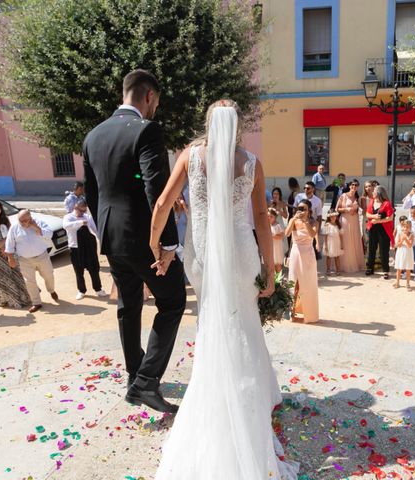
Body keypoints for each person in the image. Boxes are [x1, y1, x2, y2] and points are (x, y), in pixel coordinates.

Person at [148, 100, 299, 478]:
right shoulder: (251, 163)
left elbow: (164, 202)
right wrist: (270, 266)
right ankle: (247, 399)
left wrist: (157, 247)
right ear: (238, 126)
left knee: (212, 325)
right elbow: (262, 218)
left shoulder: (190, 156)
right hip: (242, 256)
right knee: (243, 325)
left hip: (202, 258)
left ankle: (217, 395)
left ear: (208, 123)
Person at [83, 70, 186, 413]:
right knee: (172, 302)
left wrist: (106, 233)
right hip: (144, 239)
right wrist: (167, 243)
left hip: (112, 238)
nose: (156, 107)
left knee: (129, 306)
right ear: (149, 97)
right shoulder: (147, 130)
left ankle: (133, 376)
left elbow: (94, 195)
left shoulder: (93, 136)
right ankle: (145, 383)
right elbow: (155, 189)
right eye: (157, 101)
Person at [5, 210, 57, 313]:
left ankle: (51, 290)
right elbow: (10, 243)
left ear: (31, 218)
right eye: (21, 220)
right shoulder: (15, 227)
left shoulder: (39, 222)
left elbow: (49, 234)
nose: (23, 223)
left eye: (26, 220)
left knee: (49, 275)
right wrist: (10, 258)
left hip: (42, 256)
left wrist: (36, 227)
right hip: (24, 259)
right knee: (29, 281)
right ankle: (36, 302)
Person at [0, 201, 31, 309]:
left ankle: (22, 298)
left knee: (16, 274)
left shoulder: (5, 219)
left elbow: (11, 235)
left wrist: (6, 247)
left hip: (9, 251)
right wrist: (3, 244)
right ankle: (7, 300)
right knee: (2, 276)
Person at [63, 199, 108, 300]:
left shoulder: (87, 217)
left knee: (94, 269)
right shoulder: (68, 217)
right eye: (81, 210)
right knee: (78, 271)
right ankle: (81, 290)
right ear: (75, 207)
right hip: (76, 248)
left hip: (89, 247)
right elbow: (66, 226)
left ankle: (98, 289)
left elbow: (95, 229)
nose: (83, 213)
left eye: (84, 211)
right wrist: (80, 223)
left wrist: (102, 240)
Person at [286, 199, 319, 323]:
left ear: (309, 210)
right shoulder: (293, 220)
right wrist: (293, 220)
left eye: (303, 208)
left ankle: (309, 313)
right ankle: (291, 312)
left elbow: (312, 234)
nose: (301, 211)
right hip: (295, 253)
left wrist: (305, 221)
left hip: (308, 255)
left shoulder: (313, 222)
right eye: (299, 208)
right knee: (293, 283)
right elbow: (287, 234)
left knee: (307, 284)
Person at [365, 185, 395, 279]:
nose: (372, 192)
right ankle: (370, 268)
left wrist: (378, 221)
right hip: (372, 228)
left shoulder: (386, 203)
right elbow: (367, 214)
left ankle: (385, 270)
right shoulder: (371, 202)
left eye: (374, 191)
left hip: (383, 229)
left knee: (384, 251)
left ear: (378, 193)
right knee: (371, 249)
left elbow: (390, 217)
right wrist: (374, 217)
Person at [336, 180, 365, 272]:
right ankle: (345, 265)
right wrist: (347, 209)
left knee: (355, 241)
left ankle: (356, 263)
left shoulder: (357, 197)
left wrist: (357, 211)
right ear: (349, 186)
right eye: (352, 185)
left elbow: (361, 209)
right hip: (345, 220)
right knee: (346, 241)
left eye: (356, 185)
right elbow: (337, 209)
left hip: (355, 220)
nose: (354, 186)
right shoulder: (343, 196)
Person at [294, 181, 323, 258]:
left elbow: (319, 216)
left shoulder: (318, 201)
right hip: (299, 224)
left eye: (308, 188)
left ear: (313, 189)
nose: (306, 190)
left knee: (311, 248)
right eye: (304, 188)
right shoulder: (298, 197)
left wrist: (318, 229)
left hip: (311, 224)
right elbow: (294, 209)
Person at [393, 216, 414, 290]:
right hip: (401, 251)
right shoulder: (399, 233)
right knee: (399, 268)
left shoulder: (411, 234)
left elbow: (410, 245)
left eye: (407, 227)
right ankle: (397, 282)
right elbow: (397, 245)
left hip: (408, 252)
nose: (405, 229)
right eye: (404, 227)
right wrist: (402, 240)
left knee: (408, 268)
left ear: (410, 228)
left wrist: (406, 239)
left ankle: (408, 283)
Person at [322, 210, 343, 276]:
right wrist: (325, 245)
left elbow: (341, 235)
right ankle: (328, 270)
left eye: (334, 216)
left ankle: (338, 270)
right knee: (328, 257)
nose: (333, 218)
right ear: (329, 217)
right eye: (331, 216)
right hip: (329, 243)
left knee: (337, 256)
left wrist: (341, 244)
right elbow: (325, 236)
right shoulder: (327, 225)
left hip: (337, 242)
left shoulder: (338, 225)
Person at [268, 207, 285, 273]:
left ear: (275, 217)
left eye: (271, 216)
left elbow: (281, 236)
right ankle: (272, 280)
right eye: (268, 216)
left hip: (276, 246)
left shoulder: (278, 225)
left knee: (277, 263)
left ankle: (278, 281)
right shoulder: (267, 225)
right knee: (270, 264)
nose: (269, 218)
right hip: (269, 246)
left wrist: (272, 236)